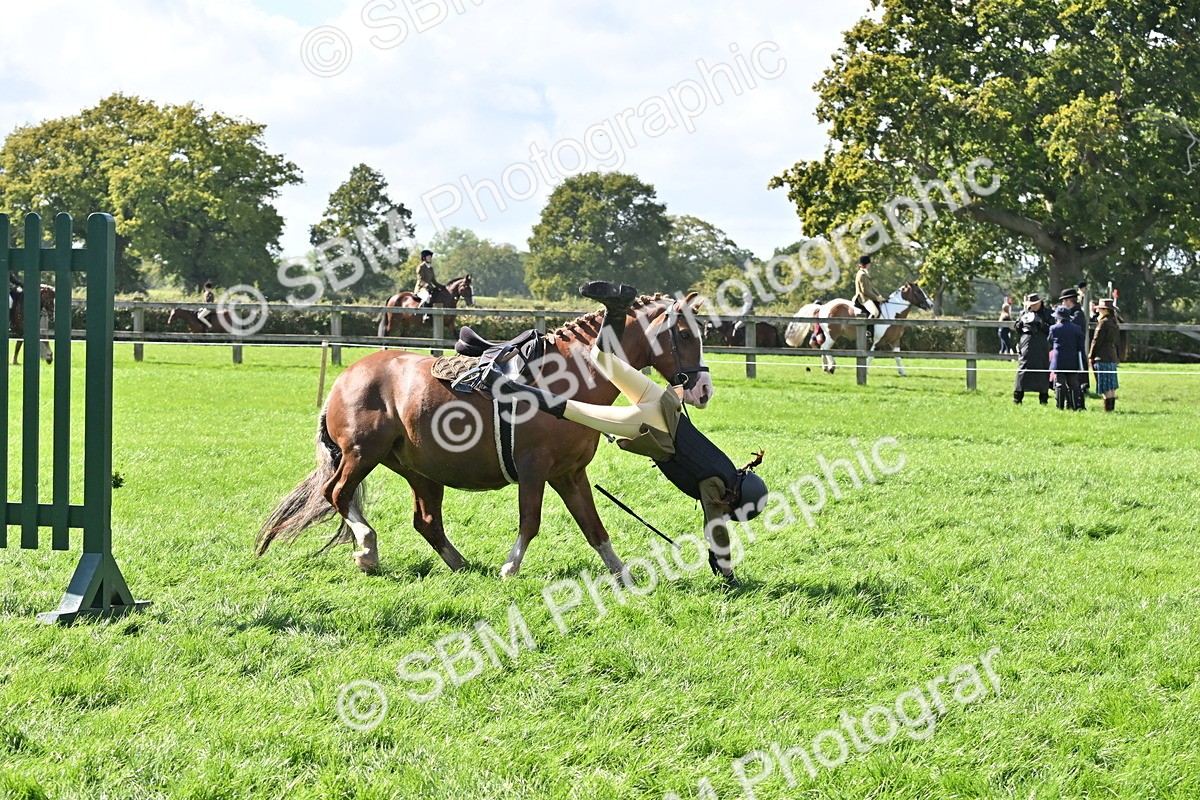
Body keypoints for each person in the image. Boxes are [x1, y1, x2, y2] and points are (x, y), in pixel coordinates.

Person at [484, 280, 769, 586]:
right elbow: (717, 531)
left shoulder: (726, 465)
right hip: (646, 423)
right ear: (734, 501)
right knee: (573, 410)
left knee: (603, 360)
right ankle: (512, 389)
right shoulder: (716, 490)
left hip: (662, 403)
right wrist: (726, 571)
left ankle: (616, 310)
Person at [1013, 293, 1053, 404]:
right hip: (1026, 345)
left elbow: (1052, 329)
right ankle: (1018, 398)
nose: (1033, 306)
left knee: (1042, 370)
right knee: (1023, 370)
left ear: (1040, 302)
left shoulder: (1048, 314)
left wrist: (1041, 324)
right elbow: (1017, 328)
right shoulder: (1024, 313)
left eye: (1035, 304)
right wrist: (1021, 322)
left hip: (1041, 346)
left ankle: (1043, 399)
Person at [1048, 305, 1086, 410]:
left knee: (1059, 383)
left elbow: (1049, 341)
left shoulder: (1053, 328)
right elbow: (1080, 346)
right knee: (1073, 384)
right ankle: (1074, 406)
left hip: (1058, 360)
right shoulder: (1077, 329)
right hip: (1073, 360)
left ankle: (1059, 407)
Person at [1089, 298, 1121, 412]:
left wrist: (1091, 355)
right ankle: (1111, 408)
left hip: (1102, 357)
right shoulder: (1114, 322)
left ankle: (1107, 410)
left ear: (1104, 310)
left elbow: (1096, 341)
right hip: (1111, 356)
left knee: (1105, 386)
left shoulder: (1103, 323)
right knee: (1111, 385)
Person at [853, 255, 886, 320]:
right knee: (875, 312)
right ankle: (868, 329)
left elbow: (871, 287)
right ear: (868, 264)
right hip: (863, 298)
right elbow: (865, 291)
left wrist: (879, 295)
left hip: (867, 297)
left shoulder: (864, 273)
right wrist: (877, 298)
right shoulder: (862, 274)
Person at [414, 249, 441, 324]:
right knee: (427, 297)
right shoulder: (421, 267)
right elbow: (420, 280)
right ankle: (424, 314)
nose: (430, 258)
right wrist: (428, 286)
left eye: (430, 257)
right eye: (428, 256)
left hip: (429, 288)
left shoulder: (430, 268)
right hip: (421, 288)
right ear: (424, 257)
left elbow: (433, 281)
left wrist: (442, 286)